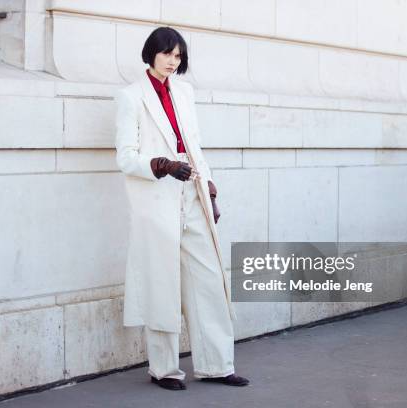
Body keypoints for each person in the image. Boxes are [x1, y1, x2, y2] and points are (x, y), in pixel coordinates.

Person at [114, 26, 249, 391]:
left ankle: (218, 365)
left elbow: (195, 146)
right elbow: (126, 158)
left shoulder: (185, 92)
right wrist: (162, 165)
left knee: (207, 279)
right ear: (151, 53)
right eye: (167, 53)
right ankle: (164, 370)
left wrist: (208, 187)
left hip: (191, 193)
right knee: (162, 283)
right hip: (157, 200)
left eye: (178, 56)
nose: (173, 61)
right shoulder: (131, 97)